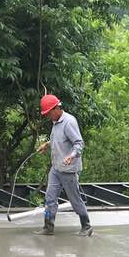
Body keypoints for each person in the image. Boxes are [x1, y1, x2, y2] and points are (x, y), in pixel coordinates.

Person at [36, 94, 93, 237]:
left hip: (68, 170)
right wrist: (47, 145)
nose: (48, 116)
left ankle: (86, 226)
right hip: (56, 168)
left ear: (56, 108)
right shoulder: (55, 122)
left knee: (74, 199)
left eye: (49, 113)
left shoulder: (69, 122)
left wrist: (71, 156)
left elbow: (79, 144)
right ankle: (48, 227)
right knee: (50, 197)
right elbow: (57, 139)